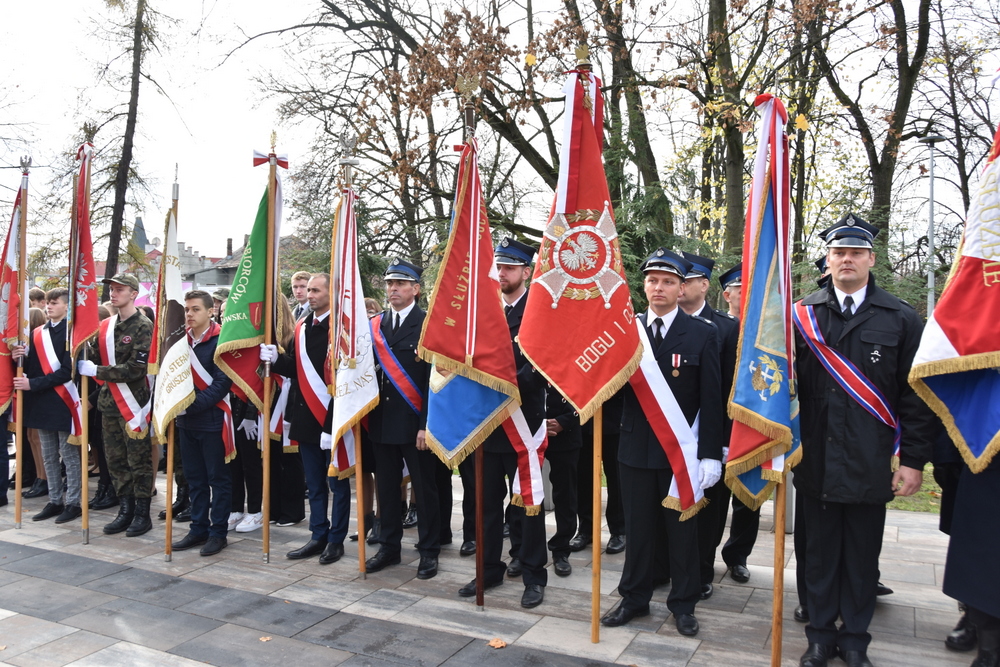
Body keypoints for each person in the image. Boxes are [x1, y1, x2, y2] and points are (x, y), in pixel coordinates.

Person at [793, 214, 933, 667]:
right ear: (827, 261)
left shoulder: (901, 318)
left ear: (871, 259)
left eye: (855, 252)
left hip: (871, 461)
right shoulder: (801, 316)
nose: (846, 259)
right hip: (814, 459)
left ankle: (854, 640)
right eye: (838, 252)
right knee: (818, 556)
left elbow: (914, 396)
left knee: (860, 558)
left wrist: (912, 460)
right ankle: (818, 636)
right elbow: (777, 388)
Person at [601, 248, 723, 636]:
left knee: (682, 532)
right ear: (644, 285)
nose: (659, 287)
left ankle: (683, 604)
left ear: (682, 287)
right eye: (653, 280)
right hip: (634, 449)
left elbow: (711, 400)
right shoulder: (625, 331)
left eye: (668, 281)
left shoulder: (704, 334)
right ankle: (633, 598)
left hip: (681, 455)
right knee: (638, 531)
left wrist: (710, 456)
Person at [457, 239, 548, 609]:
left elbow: (540, 367)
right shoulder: (484, 310)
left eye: (511, 267)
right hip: (486, 422)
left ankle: (532, 575)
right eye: (499, 267)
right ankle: (488, 568)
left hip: (523, 421)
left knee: (528, 503)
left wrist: (502, 378)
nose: (503, 273)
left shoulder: (539, 311)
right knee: (485, 504)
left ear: (526, 271)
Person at [261, 273, 348, 565]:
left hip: (333, 421)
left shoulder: (341, 330)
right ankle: (317, 535)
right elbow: (297, 372)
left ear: (330, 293)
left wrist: (330, 423)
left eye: (315, 290)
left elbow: (345, 381)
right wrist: (275, 359)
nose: (309, 295)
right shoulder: (301, 327)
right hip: (306, 418)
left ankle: (336, 540)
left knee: (337, 484)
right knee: (315, 483)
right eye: (307, 290)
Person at [364, 259, 442, 581]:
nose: (392, 289)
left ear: (416, 289)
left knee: (425, 492)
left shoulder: (428, 325)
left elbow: (433, 383)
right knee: (386, 488)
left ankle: (428, 551)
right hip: (382, 423)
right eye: (389, 284)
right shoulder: (376, 325)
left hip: (415, 425)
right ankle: (389, 547)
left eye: (400, 284)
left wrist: (426, 425)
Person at [679, 251, 740, 599]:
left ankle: (703, 569)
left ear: (704, 285)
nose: (681, 286)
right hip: (670, 435)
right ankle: (666, 566)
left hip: (711, 437)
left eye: (687, 280)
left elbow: (729, 389)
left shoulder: (726, 328)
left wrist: (725, 440)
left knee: (709, 509)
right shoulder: (654, 325)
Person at [77, 273, 155, 537]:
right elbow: (95, 355)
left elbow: (135, 369)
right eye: (111, 289)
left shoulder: (143, 325)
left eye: (120, 289)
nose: (113, 293)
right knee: (115, 460)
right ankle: (125, 509)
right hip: (109, 403)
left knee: (138, 460)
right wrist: (82, 343)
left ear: (134, 293)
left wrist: (97, 369)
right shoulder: (106, 325)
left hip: (133, 404)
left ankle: (142, 514)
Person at [170, 290, 233, 556]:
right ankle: (198, 528)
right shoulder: (179, 342)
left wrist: (190, 406)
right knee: (194, 479)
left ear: (210, 311)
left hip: (212, 420)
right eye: (187, 310)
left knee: (217, 480)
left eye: (195, 309)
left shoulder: (221, 340)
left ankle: (218, 532)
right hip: (186, 423)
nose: (189, 314)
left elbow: (222, 383)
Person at [12, 288, 83, 524]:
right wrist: (21, 358)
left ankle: (73, 502)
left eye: (54, 303)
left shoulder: (72, 333)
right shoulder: (37, 333)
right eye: (48, 303)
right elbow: (33, 366)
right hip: (42, 403)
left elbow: (66, 371)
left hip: (62, 402)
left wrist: (32, 384)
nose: (49, 307)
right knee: (49, 455)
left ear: (66, 306)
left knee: (69, 456)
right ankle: (54, 500)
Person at [715, 261, 763, 586]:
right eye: (739, 288)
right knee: (714, 501)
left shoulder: (766, 334)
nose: (745, 294)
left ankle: (738, 557)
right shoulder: (713, 327)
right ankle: (705, 559)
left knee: (748, 499)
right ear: (726, 293)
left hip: (754, 427)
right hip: (718, 424)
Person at [545, 383, 582, 577]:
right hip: (529, 430)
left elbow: (587, 387)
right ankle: (521, 552)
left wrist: (566, 420)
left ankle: (561, 549)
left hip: (566, 432)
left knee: (565, 495)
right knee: (526, 492)